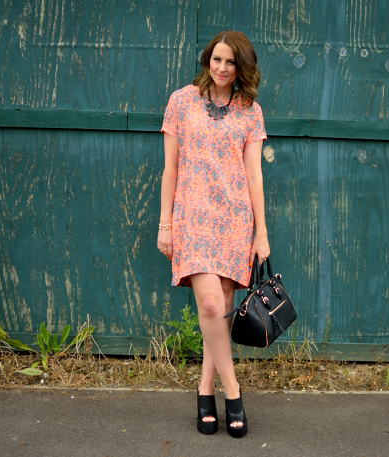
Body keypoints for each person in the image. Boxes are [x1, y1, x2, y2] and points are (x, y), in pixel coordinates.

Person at [157, 30, 269, 438]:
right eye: (216, 59)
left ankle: (205, 390)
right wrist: (165, 224)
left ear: (242, 68)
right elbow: (170, 168)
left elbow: (254, 175)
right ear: (207, 60)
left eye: (231, 62)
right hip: (192, 217)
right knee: (209, 305)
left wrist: (261, 232)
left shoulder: (250, 111)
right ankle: (233, 393)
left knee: (219, 311)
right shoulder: (181, 101)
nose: (222, 68)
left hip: (234, 220)